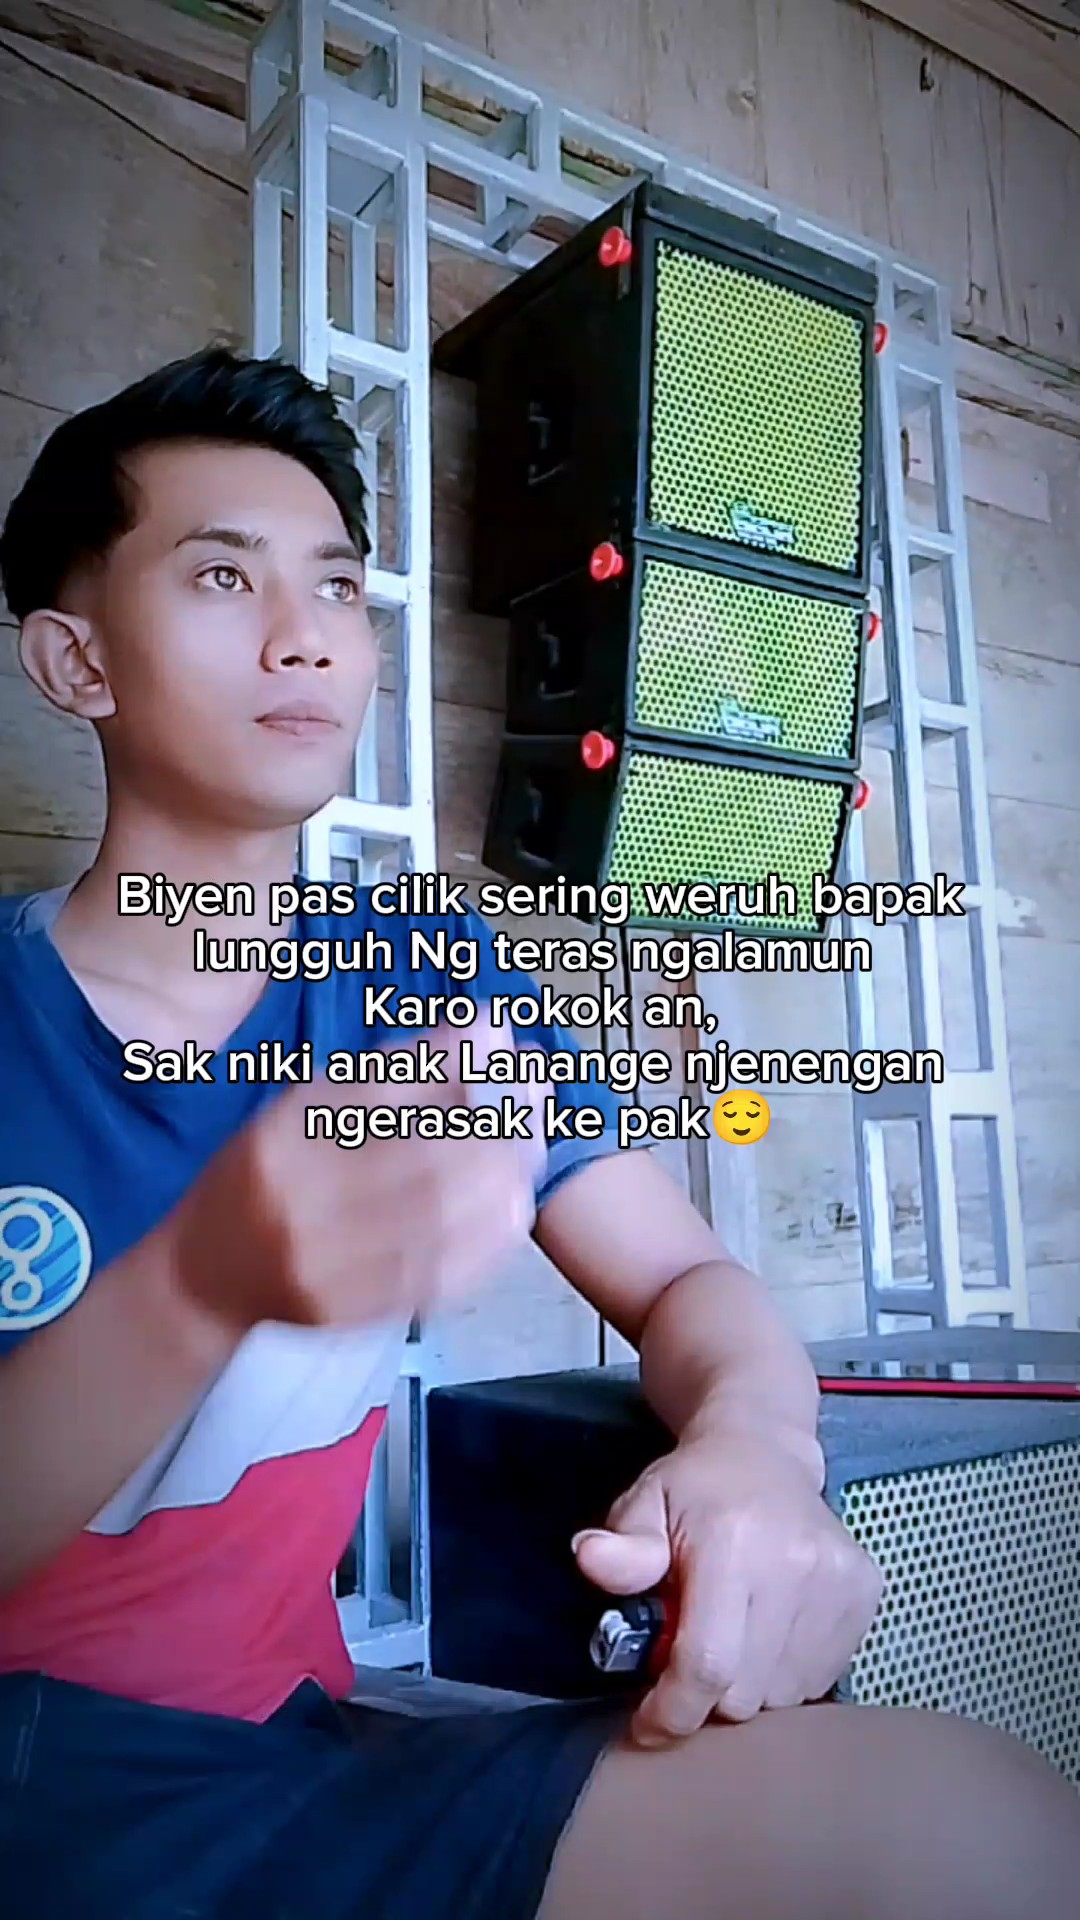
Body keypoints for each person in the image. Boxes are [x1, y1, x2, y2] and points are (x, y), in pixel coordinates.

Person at [0, 347, 1075, 1920]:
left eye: (339, 587)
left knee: (975, 1838)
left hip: (300, 1781)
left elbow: (685, 1282)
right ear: (75, 660)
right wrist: (204, 1276)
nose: (308, 636)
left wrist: (757, 1449)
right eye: (224, 577)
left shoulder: (421, 980)